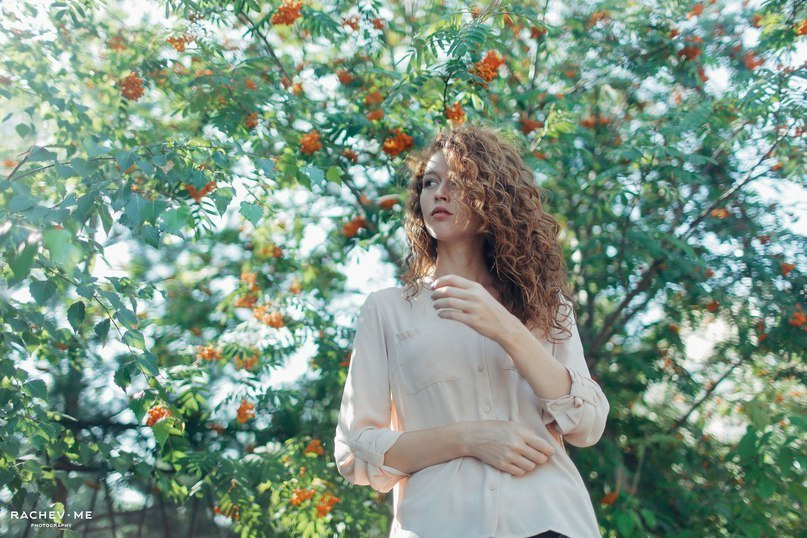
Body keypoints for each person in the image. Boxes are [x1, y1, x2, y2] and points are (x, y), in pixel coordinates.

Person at [334, 124, 610, 538]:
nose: (439, 193)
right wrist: (470, 438)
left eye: (458, 181)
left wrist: (505, 328)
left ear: (496, 199)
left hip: (547, 517)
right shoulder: (387, 309)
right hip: (438, 525)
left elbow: (587, 424)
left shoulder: (547, 306)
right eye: (430, 182)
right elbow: (355, 453)